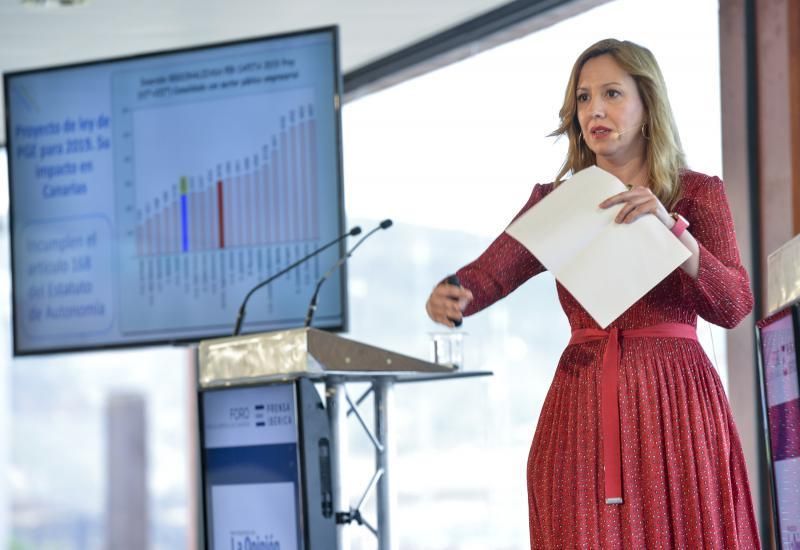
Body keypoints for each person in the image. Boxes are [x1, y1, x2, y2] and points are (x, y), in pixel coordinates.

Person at [425, 38, 760, 548]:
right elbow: (489, 276)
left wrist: (671, 229)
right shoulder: (560, 202)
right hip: (581, 411)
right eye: (583, 98)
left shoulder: (695, 193)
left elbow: (734, 305)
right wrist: (451, 293)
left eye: (611, 94)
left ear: (648, 106)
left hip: (678, 410)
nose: (594, 110)